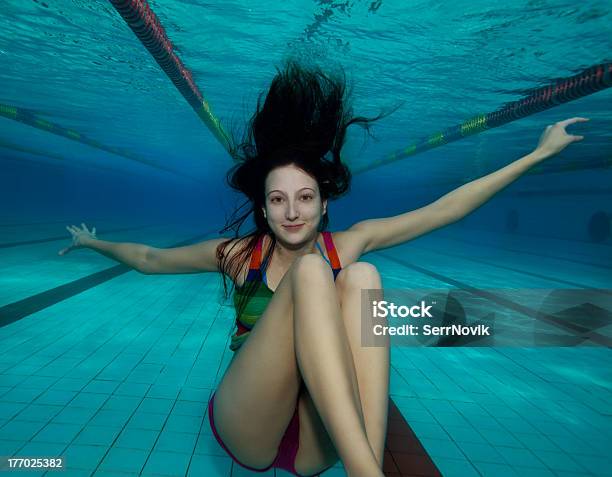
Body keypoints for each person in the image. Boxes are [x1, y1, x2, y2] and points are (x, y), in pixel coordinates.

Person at [59, 60, 588, 477]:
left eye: (305, 197)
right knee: (313, 273)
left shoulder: (349, 244)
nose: (292, 212)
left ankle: (366, 466)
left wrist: (534, 156)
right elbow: (151, 261)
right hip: (249, 423)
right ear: (264, 209)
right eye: (279, 200)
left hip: (319, 438)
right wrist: (94, 244)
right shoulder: (239, 255)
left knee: (361, 277)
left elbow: (443, 211)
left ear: (324, 204)